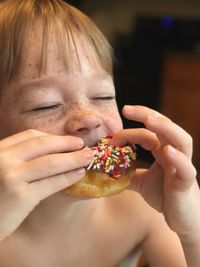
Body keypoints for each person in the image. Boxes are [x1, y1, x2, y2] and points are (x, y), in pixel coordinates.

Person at [0, 0, 199, 266]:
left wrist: (191, 232)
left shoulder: (144, 209)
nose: (89, 118)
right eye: (45, 104)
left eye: (103, 95)